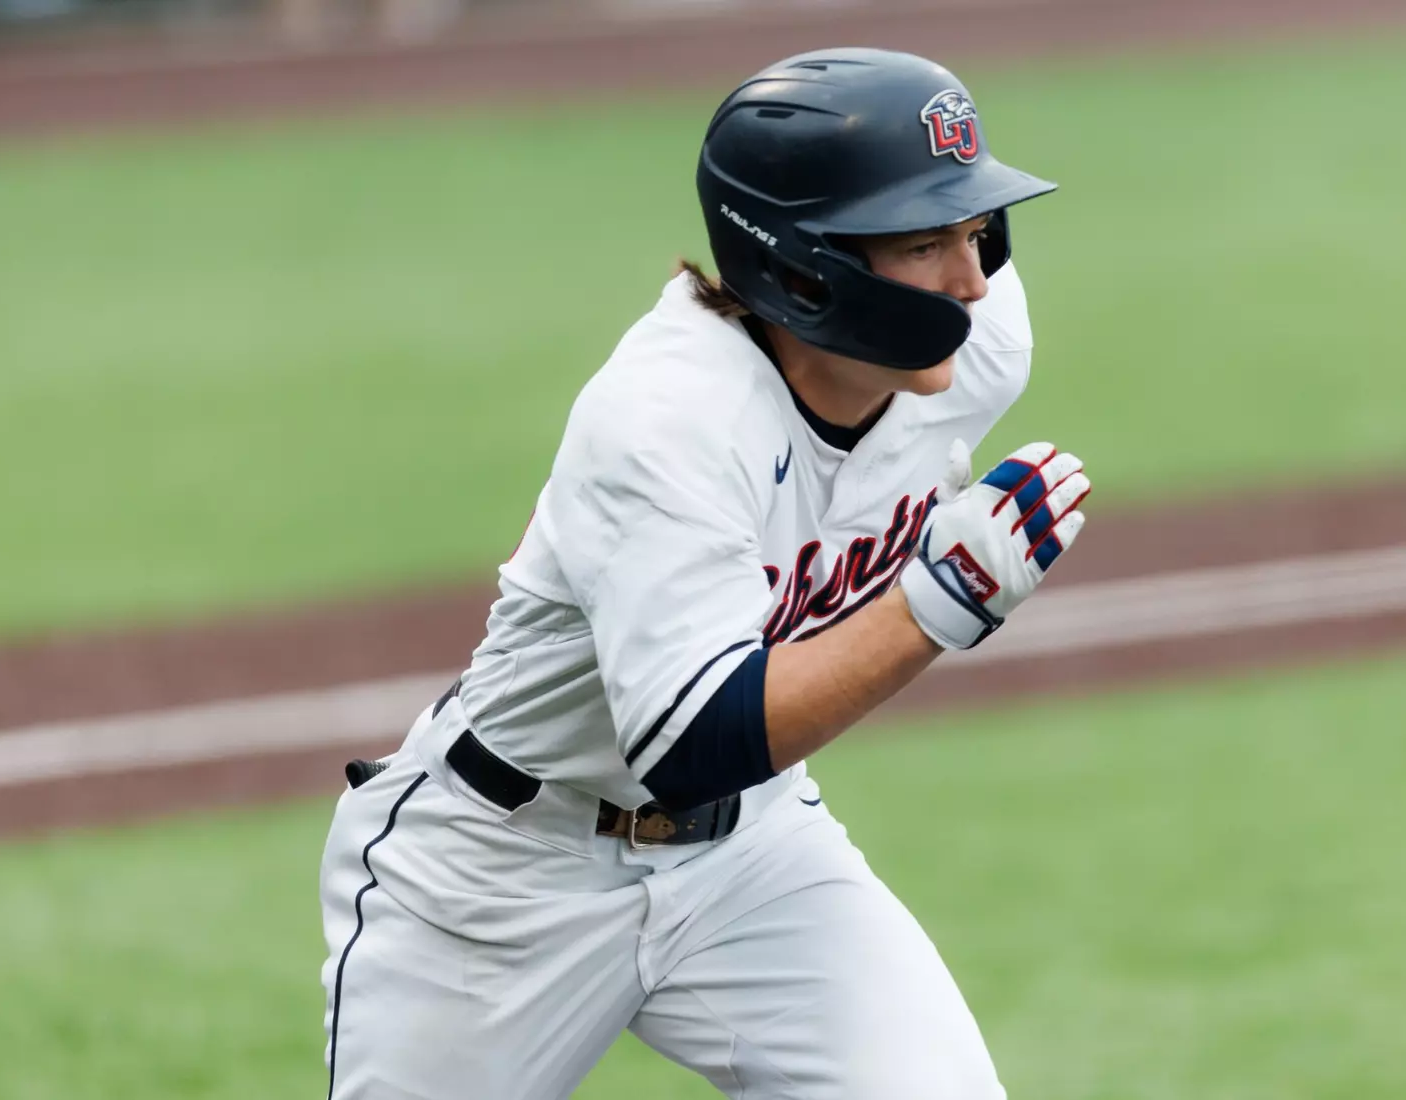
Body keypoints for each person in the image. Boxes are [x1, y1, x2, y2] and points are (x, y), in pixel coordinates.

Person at [319, 46, 1091, 1099]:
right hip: (500, 874)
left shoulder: (978, 345)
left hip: (750, 859)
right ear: (805, 265)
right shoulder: (668, 419)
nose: (969, 278)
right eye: (925, 242)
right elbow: (695, 741)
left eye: (974, 231)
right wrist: (933, 603)